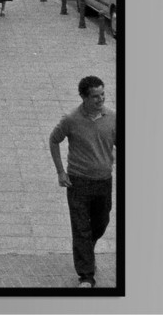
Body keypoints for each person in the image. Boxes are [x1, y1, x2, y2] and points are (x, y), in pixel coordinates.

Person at [49, 76, 116, 289]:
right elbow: (54, 140)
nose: (101, 99)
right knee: (80, 228)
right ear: (84, 97)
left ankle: (86, 249)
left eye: (102, 94)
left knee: (100, 223)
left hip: (104, 181)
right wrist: (61, 172)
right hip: (78, 182)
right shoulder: (71, 120)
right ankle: (86, 277)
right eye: (95, 96)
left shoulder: (112, 117)